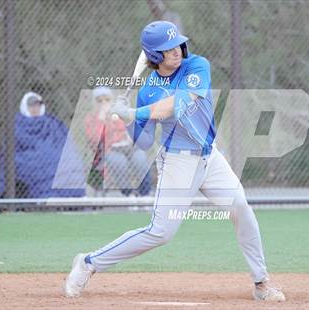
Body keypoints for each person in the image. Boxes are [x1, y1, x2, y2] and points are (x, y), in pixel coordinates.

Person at [65, 21, 285, 301]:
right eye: (167, 49)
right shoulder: (147, 90)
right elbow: (144, 142)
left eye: (176, 44)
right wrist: (125, 118)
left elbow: (179, 103)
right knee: (160, 233)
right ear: (154, 56)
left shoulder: (197, 66)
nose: (176, 51)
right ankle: (88, 263)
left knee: (240, 205)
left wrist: (134, 112)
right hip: (177, 163)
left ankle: (261, 283)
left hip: (209, 156)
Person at [0, 91, 85, 198]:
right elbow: (10, 152)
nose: (35, 108)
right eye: (31, 106)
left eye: (38, 105)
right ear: (24, 107)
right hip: (29, 162)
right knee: (45, 165)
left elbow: (63, 142)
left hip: (52, 157)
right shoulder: (16, 125)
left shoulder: (52, 123)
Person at [84, 87, 151, 196]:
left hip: (128, 147)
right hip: (109, 150)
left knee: (140, 159)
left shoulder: (119, 114)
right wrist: (101, 119)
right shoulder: (91, 119)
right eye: (99, 101)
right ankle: (129, 194)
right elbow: (95, 141)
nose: (104, 103)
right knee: (119, 162)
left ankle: (145, 194)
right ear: (94, 103)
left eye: (107, 100)